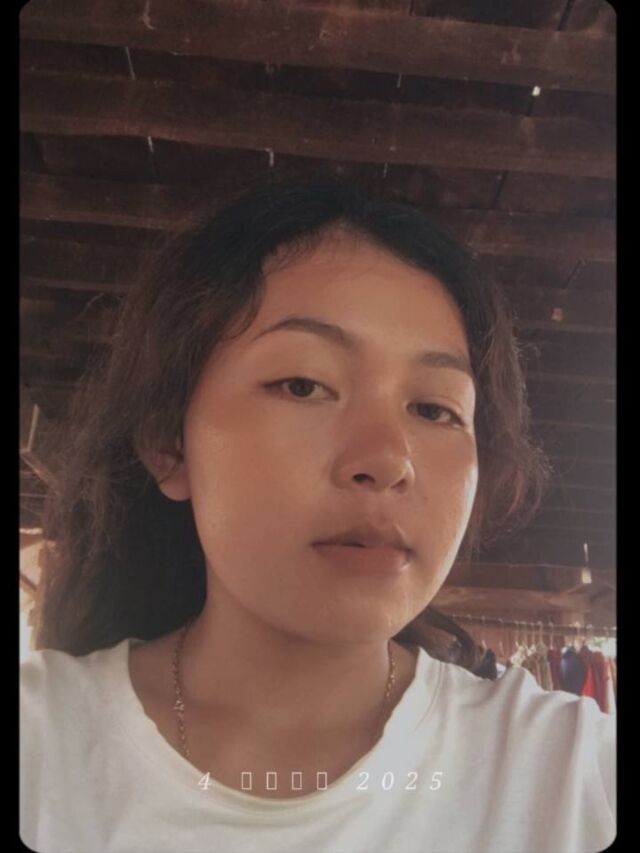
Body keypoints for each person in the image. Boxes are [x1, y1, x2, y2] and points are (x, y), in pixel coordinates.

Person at [20, 174, 615, 853]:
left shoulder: (571, 778)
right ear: (168, 443)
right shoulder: (41, 748)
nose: (388, 459)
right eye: (303, 384)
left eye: (434, 408)